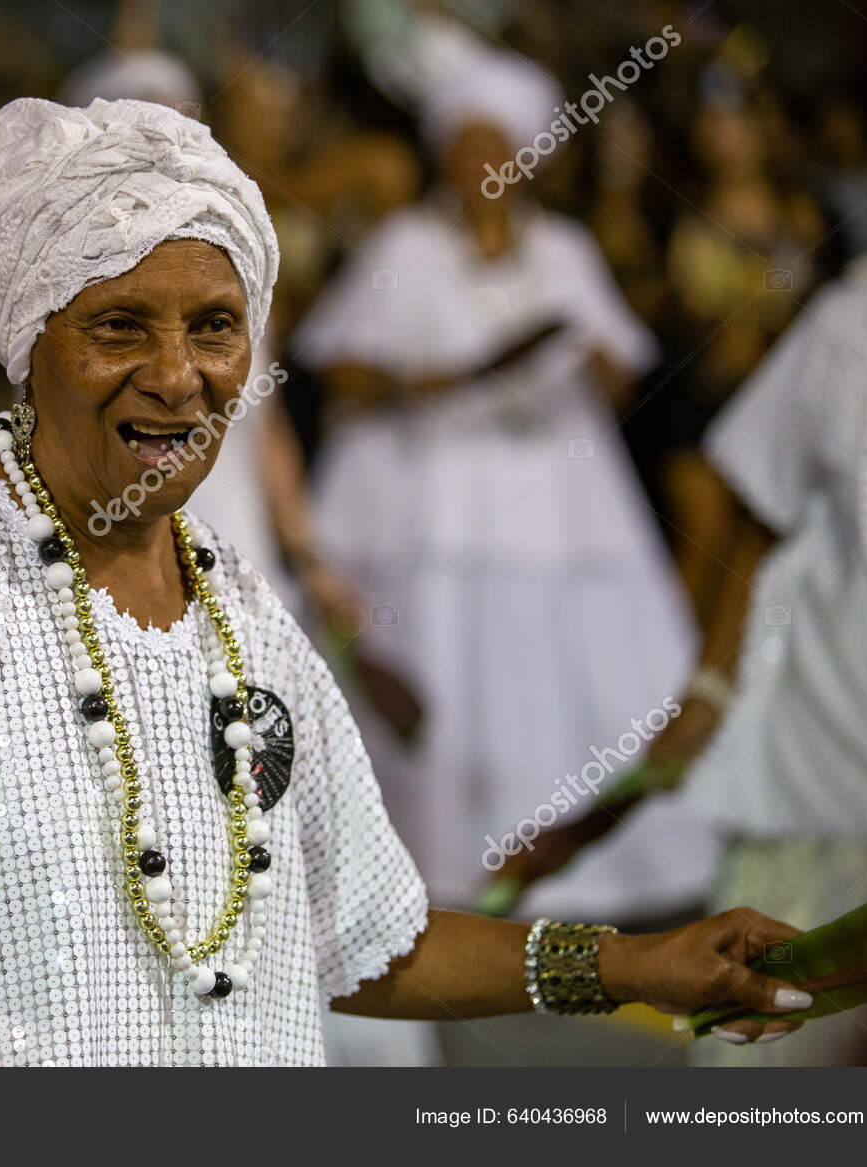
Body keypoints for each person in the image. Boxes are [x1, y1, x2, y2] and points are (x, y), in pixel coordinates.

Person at [0, 97, 813, 1067]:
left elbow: (368, 940)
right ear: (26, 339)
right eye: (117, 327)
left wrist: (631, 964)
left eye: (214, 327)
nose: (177, 377)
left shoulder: (242, 614)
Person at [292, 51, 714, 920]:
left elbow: (623, 371)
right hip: (438, 498)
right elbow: (338, 365)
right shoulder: (405, 245)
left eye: (494, 147)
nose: (477, 165)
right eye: (463, 146)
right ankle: (439, 867)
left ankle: (583, 869)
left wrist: (594, 361)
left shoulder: (563, 250)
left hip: (565, 500)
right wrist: (433, 385)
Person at [499, 246, 867, 1064]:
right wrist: (710, 692)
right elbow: (759, 510)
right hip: (814, 765)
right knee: (763, 1060)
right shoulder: (848, 322)